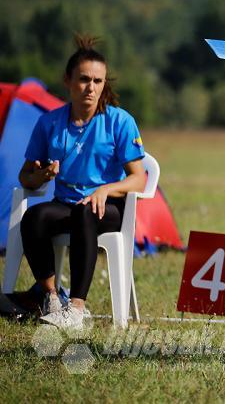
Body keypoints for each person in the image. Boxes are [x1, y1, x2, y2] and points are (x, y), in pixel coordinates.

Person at [18, 35, 146, 330]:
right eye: (84, 79)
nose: (91, 87)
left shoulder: (120, 121)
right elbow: (26, 176)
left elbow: (139, 179)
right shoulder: (49, 123)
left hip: (107, 208)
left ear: (104, 84)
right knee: (34, 217)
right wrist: (42, 176)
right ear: (68, 81)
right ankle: (51, 297)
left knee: (84, 212)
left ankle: (76, 310)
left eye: (98, 81)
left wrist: (105, 189)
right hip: (65, 204)